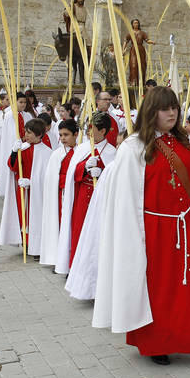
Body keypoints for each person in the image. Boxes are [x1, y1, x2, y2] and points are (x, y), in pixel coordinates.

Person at [91, 86, 190, 370]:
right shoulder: (133, 148)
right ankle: (159, 344)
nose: (172, 113)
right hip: (153, 229)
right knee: (161, 290)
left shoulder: (187, 142)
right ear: (151, 112)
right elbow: (125, 198)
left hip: (187, 225)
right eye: (166, 108)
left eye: (175, 107)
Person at [55, 112, 117, 274]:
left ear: (103, 131)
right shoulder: (83, 148)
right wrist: (84, 167)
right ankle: (76, 270)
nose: (88, 132)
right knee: (79, 231)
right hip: (82, 198)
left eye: (92, 128)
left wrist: (102, 172)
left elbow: (116, 179)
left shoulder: (112, 152)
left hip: (100, 200)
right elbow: (72, 174)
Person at [0, 118, 52, 257]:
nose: (26, 135)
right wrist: (14, 152)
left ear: (39, 135)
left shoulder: (46, 152)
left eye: (29, 133)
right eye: (25, 132)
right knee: (23, 217)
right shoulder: (22, 148)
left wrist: (33, 182)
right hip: (22, 189)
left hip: (37, 192)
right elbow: (13, 166)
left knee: (36, 217)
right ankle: (26, 242)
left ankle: (38, 246)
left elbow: (47, 175)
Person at [39, 119, 79, 267]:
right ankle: (60, 259)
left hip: (76, 196)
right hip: (61, 196)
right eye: (61, 135)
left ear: (75, 134)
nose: (62, 138)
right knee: (62, 225)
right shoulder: (57, 154)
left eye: (66, 135)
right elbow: (52, 177)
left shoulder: (81, 152)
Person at [0, 93, 33, 198]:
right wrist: (16, 143)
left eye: (25, 102)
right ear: (15, 102)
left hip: (25, 145)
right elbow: (9, 134)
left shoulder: (27, 115)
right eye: (20, 102)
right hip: (14, 147)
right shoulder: (9, 116)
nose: (23, 105)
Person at [63, 0, 88, 86]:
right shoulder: (73, 6)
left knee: (88, 45)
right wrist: (68, 9)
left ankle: (87, 59)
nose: (81, 0)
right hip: (75, 27)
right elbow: (66, 14)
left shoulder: (84, 8)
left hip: (83, 27)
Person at [124, 19, 155, 86]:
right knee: (133, 65)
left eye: (137, 23)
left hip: (141, 50)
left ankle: (141, 82)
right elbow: (126, 41)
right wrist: (123, 50)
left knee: (142, 66)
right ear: (132, 24)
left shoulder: (142, 33)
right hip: (133, 50)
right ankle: (133, 82)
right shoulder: (130, 33)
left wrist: (152, 42)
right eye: (134, 23)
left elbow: (147, 40)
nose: (136, 24)